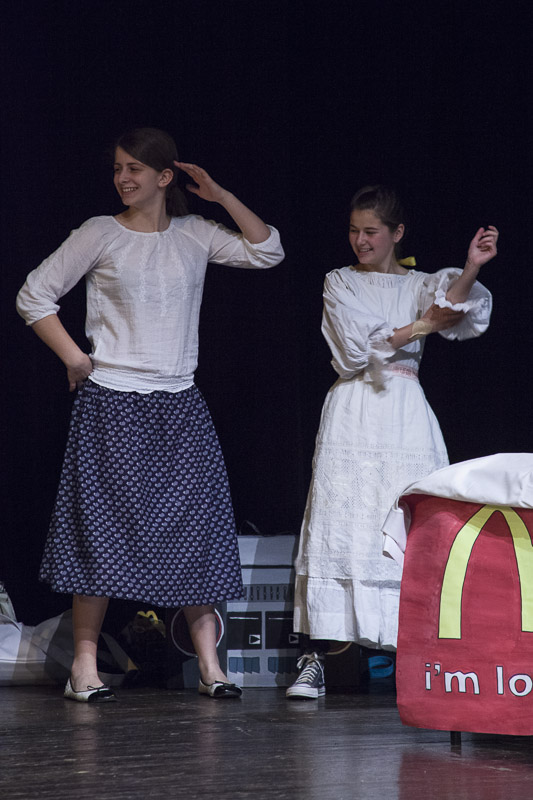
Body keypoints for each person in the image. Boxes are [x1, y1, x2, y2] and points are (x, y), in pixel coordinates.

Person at [16, 127, 284, 702]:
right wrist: (76, 358)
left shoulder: (195, 234)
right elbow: (34, 294)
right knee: (101, 534)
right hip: (111, 400)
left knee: (198, 532)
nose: (122, 178)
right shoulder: (99, 232)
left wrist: (220, 196)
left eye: (134, 169)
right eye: (118, 168)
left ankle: (211, 666)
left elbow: (267, 251)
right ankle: (83, 667)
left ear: (165, 177)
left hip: (180, 402)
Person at [286, 185, 497, 699]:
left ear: (397, 233)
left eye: (371, 232)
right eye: (354, 231)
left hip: (404, 414)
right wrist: (423, 324)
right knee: (341, 522)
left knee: (407, 526)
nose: (361, 240)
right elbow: (357, 347)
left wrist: (472, 267)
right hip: (353, 408)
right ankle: (318, 657)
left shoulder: (422, 283)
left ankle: (420, 662)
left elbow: (456, 310)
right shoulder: (340, 282)